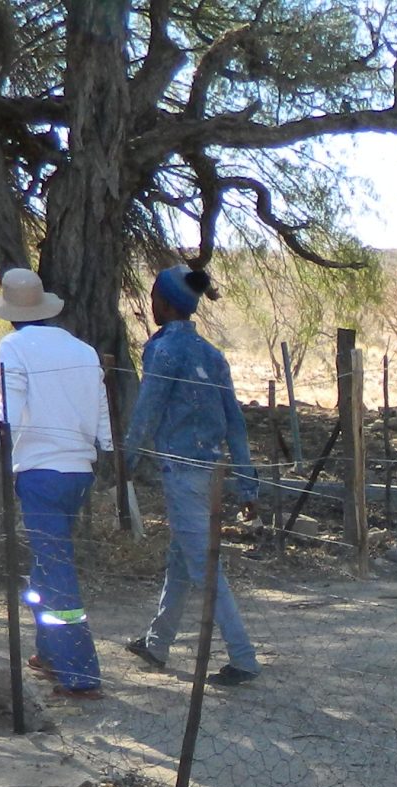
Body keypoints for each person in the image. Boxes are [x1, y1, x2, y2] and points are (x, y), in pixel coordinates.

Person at [123, 264, 262, 686]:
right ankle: (157, 642)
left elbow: (147, 411)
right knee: (182, 561)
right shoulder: (212, 355)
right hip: (212, 470)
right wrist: (247, 479)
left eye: (153, 298)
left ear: (165, 304)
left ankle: (243, 657)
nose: (150, 305)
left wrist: (125, 463)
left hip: (180, 470)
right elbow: (235, 422)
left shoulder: (162, 350)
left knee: (204, 566)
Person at [0, 266, 112, 696]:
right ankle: (49, 653)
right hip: (78, 471)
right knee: (45, 563)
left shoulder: (13, 346)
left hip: (39, 472)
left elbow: (9, 413)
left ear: (9, 312)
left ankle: (79, 672)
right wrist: (104, 447)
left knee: (55, 571)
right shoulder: (83, 349)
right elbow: (103, 413)